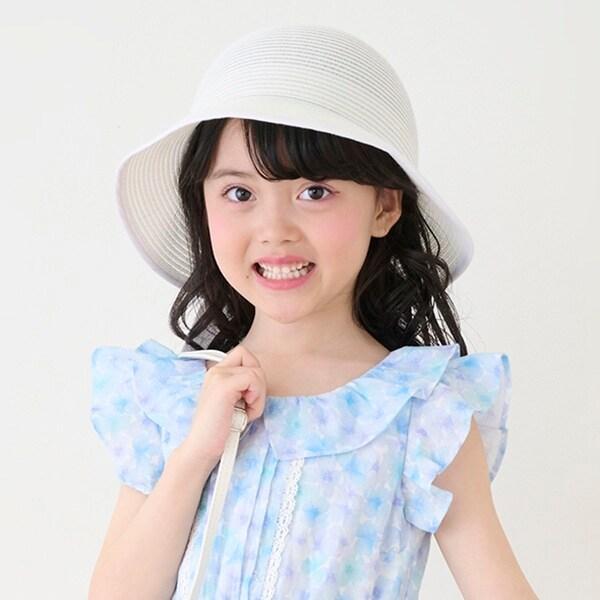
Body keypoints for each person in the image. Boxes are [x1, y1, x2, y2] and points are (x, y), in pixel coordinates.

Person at [88, 24, 538, 599]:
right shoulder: (173, 400)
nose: (274, 230)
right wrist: (195, 455)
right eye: (240, 193)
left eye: (315, 191)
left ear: (385, 206)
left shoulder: (421, 415)